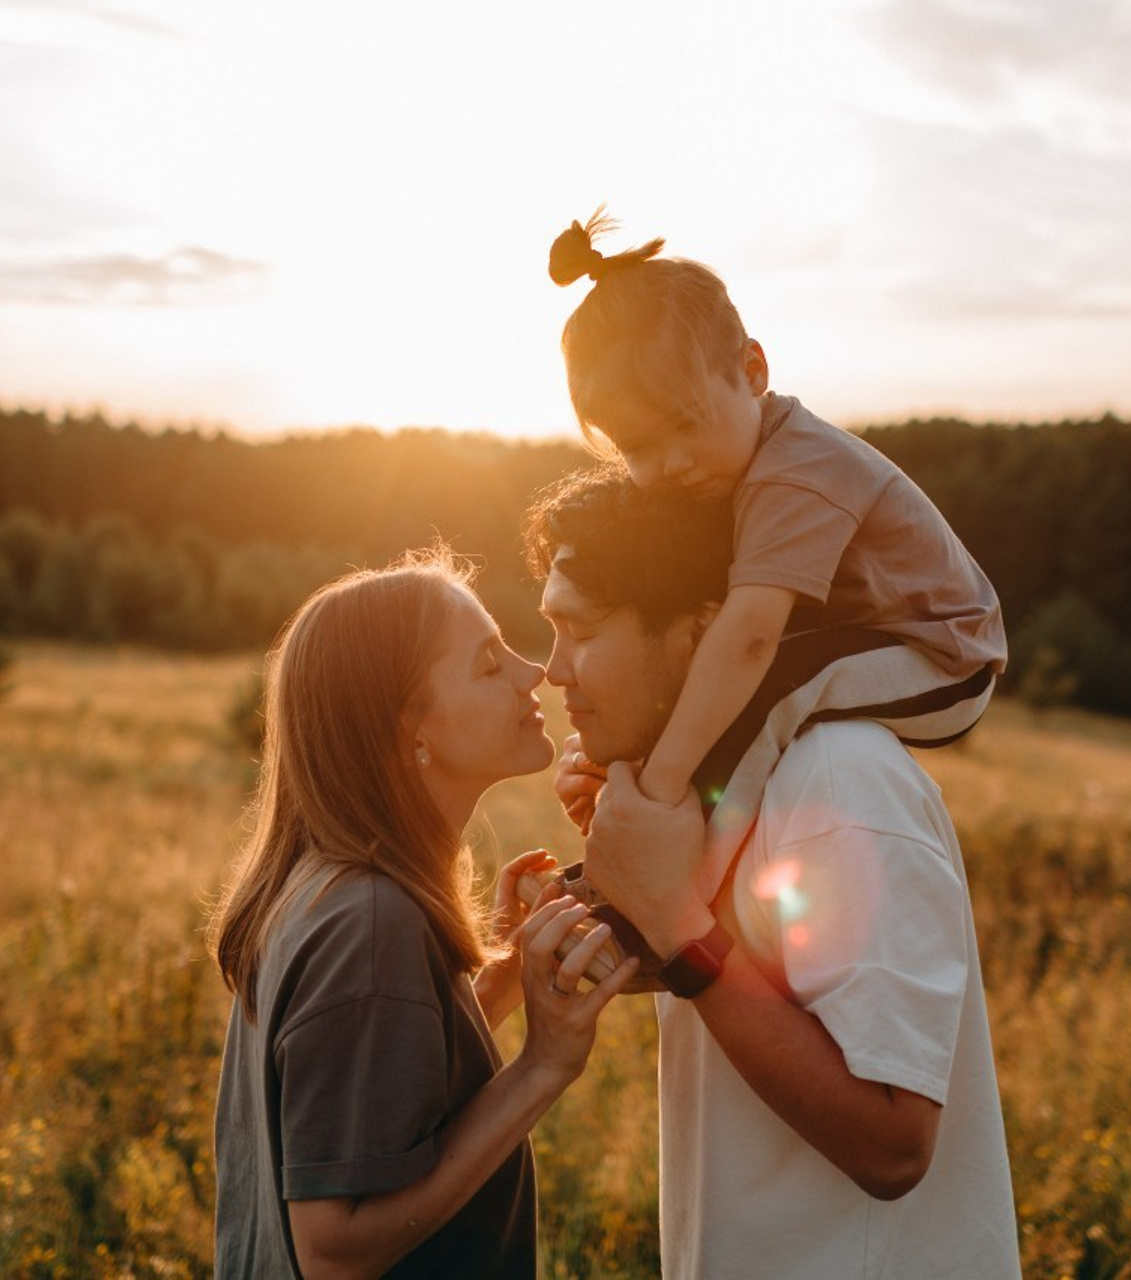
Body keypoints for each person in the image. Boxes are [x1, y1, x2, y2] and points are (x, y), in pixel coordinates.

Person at [524, 469, 1021, 1280]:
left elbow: (894, 1145)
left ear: (702, 630)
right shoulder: (725, 796)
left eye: (580, 629)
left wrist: (678, 925)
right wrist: (622, 892)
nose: (553, 669)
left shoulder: (840, 785)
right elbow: (764, 991)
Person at [208, 548, 638, 1279]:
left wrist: (495, 986)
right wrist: (542, 1066)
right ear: (411, 730)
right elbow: (334, 1251)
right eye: (487, 663)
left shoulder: (332, 892)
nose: (532, 673)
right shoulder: (369, 923)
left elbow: (375, 1106)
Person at [547, 210, 1006, 809]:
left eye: (686, 424)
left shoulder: (798, 471)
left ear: (753, 371)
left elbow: (748, 640)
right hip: (859, 638)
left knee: (775, 682)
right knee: (752, 681)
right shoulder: (724, 471)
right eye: (638, 447)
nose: (672, 463)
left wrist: (659, 787)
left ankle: (671, 832)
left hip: (943, 659)